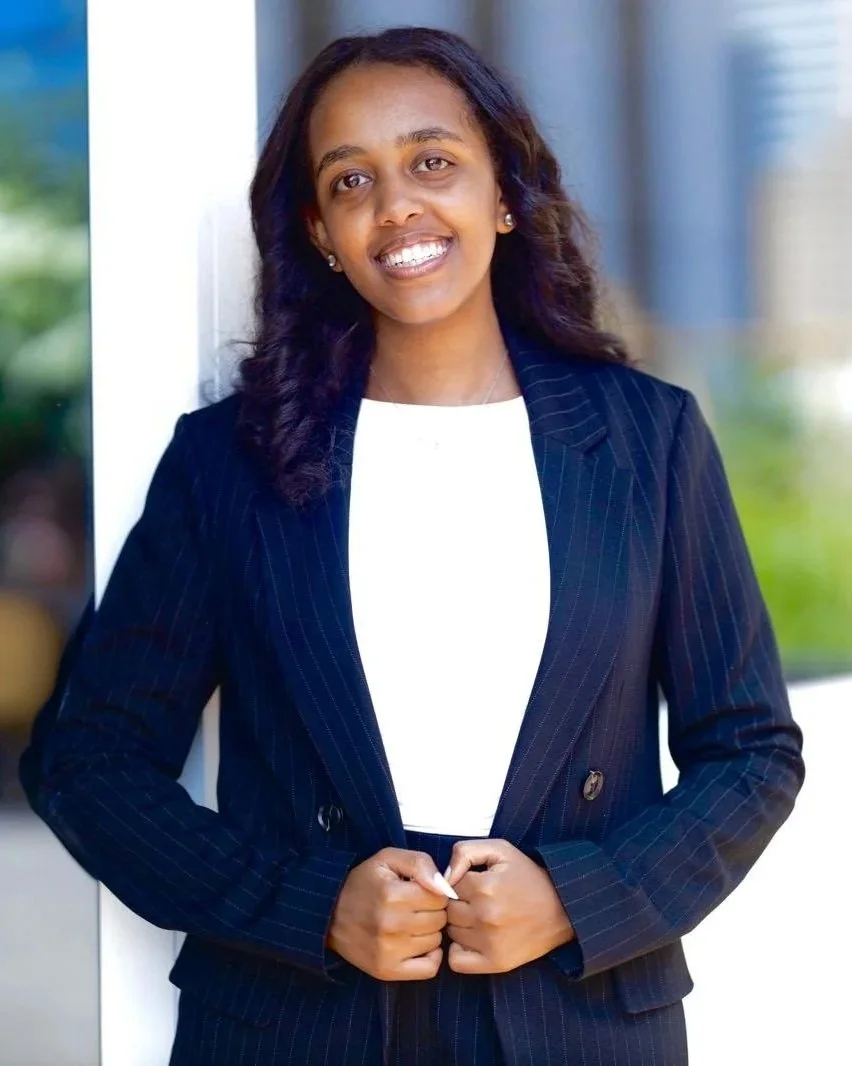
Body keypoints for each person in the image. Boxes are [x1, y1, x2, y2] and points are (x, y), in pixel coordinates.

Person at [21, 26, 805, 1066]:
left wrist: (578, 898)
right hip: (299, 1022)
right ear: (320, 231)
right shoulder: (228, 464)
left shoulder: (646, 441)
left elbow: (749, 748)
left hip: (575, 1021)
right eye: (352, 181)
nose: (398, 207)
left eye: (433, 162)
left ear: (504, 194)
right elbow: (88, 758)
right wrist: (309, 905)